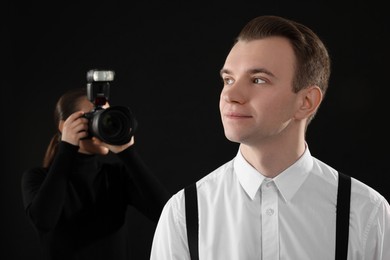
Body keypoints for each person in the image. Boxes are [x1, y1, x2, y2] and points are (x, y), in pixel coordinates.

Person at [150, 15, 390, 260]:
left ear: (306, 102)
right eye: (228, 79)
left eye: (258, 80)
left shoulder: (365, 213)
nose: (231, 94)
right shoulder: (184, 212)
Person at [21, 87, 171, 260]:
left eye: (107, 116)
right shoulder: (37, 178)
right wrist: (67, 148)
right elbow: (44, 222)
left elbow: (166, 213)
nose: (103, 123)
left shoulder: (116, 176)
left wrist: (127, 153)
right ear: (64, 126)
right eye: (92, 117)